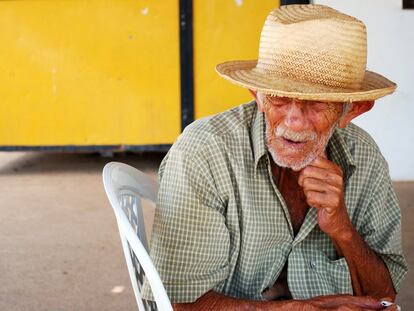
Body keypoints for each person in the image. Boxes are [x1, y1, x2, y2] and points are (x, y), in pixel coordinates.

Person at [142, 4, 407, 310]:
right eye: (279, 97)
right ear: (257, 94)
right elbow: (178, 302)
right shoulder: (205, 151)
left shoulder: (363, 156)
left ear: (352, 110)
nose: (293, 120)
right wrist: (295, 309)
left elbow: (385, 297)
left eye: (316, 103)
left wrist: (342, 229)